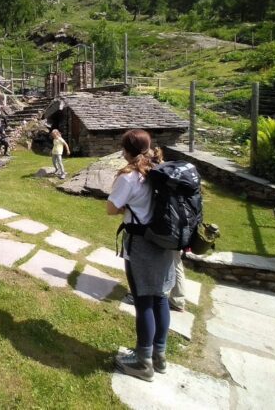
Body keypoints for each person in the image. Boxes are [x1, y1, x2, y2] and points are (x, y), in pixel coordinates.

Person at [106, 129, 173, 382]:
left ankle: (143, 362)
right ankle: (159, 355)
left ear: (127, 150)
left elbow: (111, 208)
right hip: (163, 240)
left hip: (141, 242)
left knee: (143, 299)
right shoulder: (158, 168)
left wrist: (123, 203)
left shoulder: (130, 176)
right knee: (160, 298)